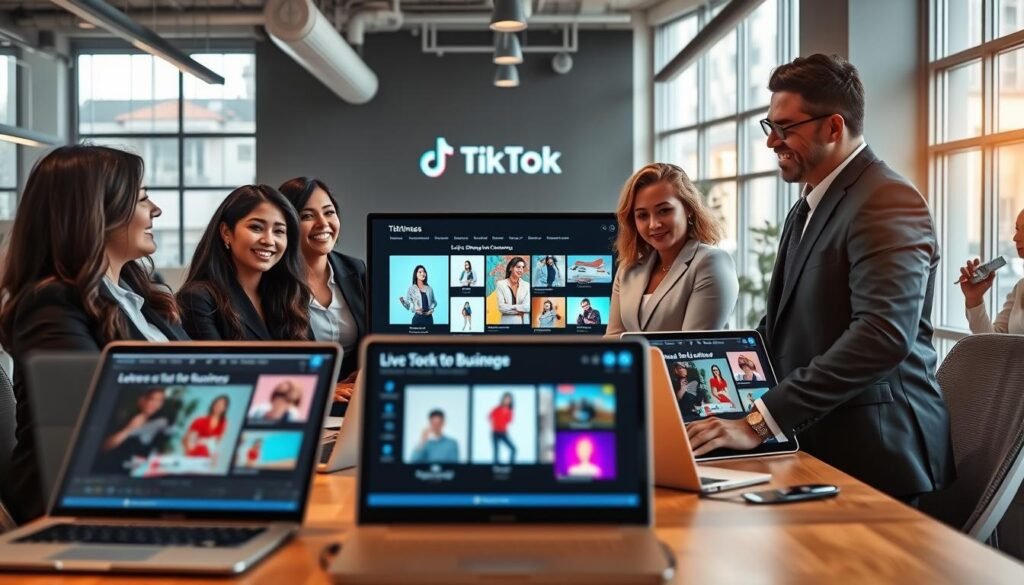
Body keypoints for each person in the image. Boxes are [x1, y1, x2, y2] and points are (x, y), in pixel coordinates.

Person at [686, 54, 955, 502]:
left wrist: (757, 422)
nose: (772, 141)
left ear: (833, 128)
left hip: (879, 454)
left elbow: (881, 336)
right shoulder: (808, 206)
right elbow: (780, 329)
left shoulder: (887, 200)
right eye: (769, 126)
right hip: (818, 439)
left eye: (785, 127)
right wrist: (702, 395)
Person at [0, 145, 188, 524]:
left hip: (154, 481)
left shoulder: (141, 297)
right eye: (143, 198)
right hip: (80, 504)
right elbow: (96, 415)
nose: (156, 210)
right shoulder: (50, 303)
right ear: (98, 210)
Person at [605, 163, 739, 337]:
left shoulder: (711, 262)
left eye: (664, 211)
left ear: (688, 208)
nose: (654, 224)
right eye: (642, 215)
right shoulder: (628, 269)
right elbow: (611, 341)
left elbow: (689, 348)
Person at [178, 185, 311, 342]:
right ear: (226, 232)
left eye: (279, 231)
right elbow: (217, 366)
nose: (269, 240)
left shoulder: (289, 295)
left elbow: (316, 361)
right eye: (256, 227)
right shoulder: (198, 299)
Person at [278, 177, 367, 403]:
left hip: (353, 401)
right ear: (286, 223)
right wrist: (324, 389)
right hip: (301, 401)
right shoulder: (273, 281)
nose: (323, 223)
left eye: (329, 212)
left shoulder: (356, 270)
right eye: (307, 216)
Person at [960, 206, 1024, 334]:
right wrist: (974, 299)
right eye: (1017, 229)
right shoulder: (1020, 288)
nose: (1015, 237)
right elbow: (993, 342)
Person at [96, 388, 170, 473]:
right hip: (115, 469)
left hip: (143, 468)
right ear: (142, 400)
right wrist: (128, 429)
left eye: (160, 401)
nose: (156, 404)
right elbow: (103, 447)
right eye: (152, 399)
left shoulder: (160, 420)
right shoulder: (126, 418)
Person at [182, 395, 230, 461]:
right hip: (194, 456)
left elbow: (217, 443)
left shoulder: (224, 423)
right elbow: (187, 440)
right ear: (213, 405)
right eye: (217, 403)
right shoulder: (200, 420)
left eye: (222, 405)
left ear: (225, 408)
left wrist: (214, 458)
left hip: (208, 458)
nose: (219, 406)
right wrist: (190, 455)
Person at [495, 257, 530, 324]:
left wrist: (512, 307)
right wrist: (520, 310)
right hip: (506, 323)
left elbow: (527, 307)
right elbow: (501, 307)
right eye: (518, 267)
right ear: (511, 268)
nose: (521, 270)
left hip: (523, 323)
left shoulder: (527, 285)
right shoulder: (501, 284)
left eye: (523, 267)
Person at [489, 392, 516, 465]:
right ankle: (497, 468)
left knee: (513, 449)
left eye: (509, 399)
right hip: (495, 432)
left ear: (510, 401)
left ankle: (511, 466)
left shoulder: (510, 411)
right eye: (506, 398)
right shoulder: (497, 408)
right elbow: (490, 416)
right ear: (503, 399)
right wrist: (495, 424)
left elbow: (509, 421)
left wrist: (506, 412)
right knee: (496, 454)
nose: (507, 400)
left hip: (503, 433)